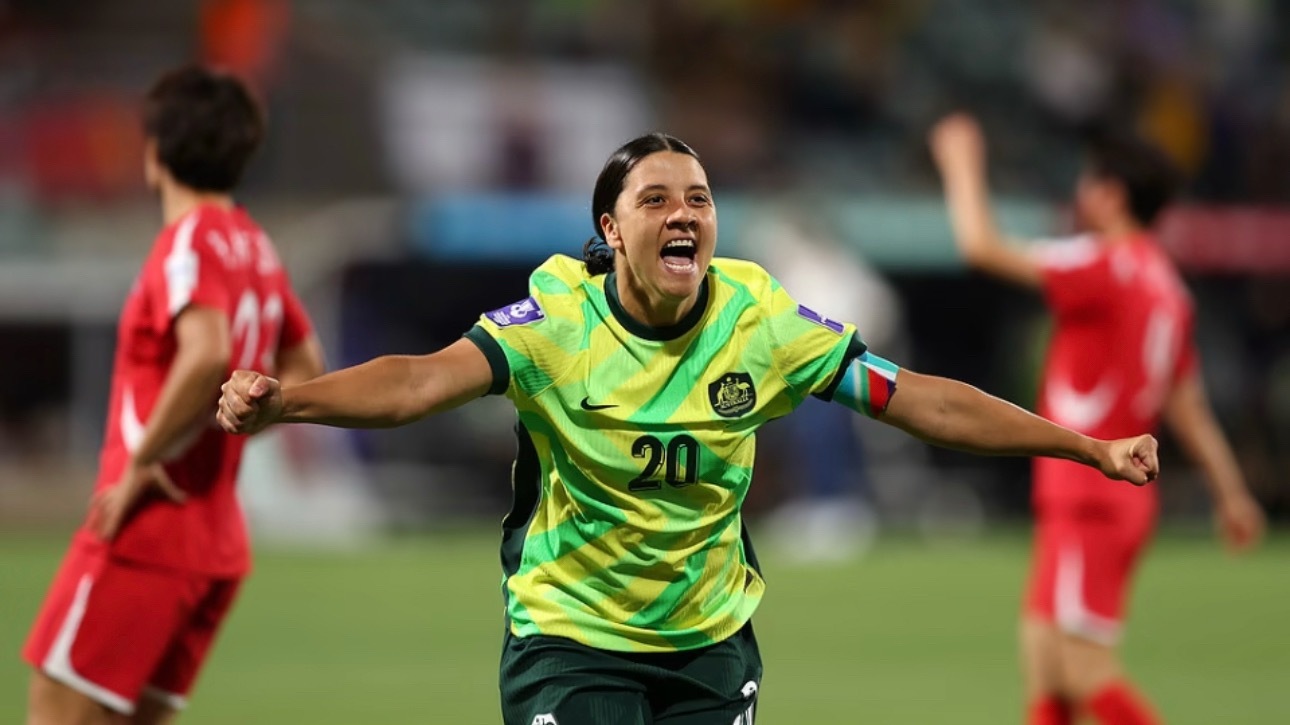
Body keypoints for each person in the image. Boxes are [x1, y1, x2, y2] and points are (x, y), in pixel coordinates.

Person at [218, 132, 1160, 725]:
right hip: (571, 638)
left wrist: (1085, 444)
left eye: (699, 199)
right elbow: (420, 380)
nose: (684, 214)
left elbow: (921, 399)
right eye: (657, 199)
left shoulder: (762, 324)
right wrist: (289, 401)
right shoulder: (557, 322)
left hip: (708, 644)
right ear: (611, 229)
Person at [929, 113, 1265, 725]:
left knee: (1084, 671)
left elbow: (981, 247)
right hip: (1102, 495)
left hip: (1093, 490)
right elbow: (1188, 406)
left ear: (1111, 194)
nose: (1081, 191)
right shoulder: (1169, 288)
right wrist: (1231, 493)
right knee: (1045, 667)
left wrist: (960, 161)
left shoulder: (1102, 265)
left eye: (1089, 180)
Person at [23, 65, 324, 725]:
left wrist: (144, 458)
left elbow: (207, 351)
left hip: (145, 530)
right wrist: (235, 419)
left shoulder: (188, 241)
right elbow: (306, 365)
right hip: (216, 542)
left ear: (155, 152)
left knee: (54, 710)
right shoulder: (255, 247)